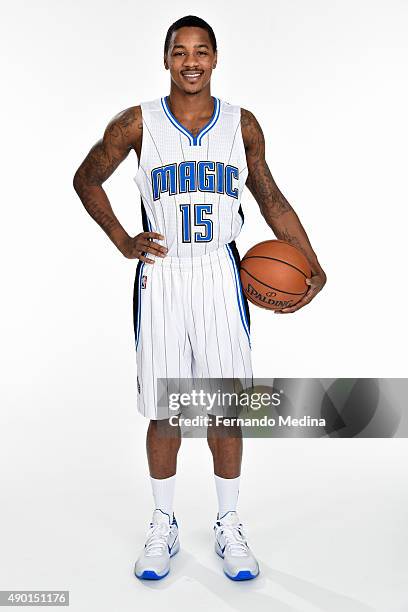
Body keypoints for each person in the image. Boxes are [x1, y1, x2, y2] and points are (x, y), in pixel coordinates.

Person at [73, 14, 326, 582]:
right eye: (180, 51)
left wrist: (310, 260)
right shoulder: (137, 124)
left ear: (215, 59)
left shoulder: (243, 125)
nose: (191, 61)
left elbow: (270, 198)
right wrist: (122, 239)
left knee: (225, 410)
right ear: (166, 59)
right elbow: (86, 178)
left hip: (219, 273)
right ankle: (163, 525)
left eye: (201, 51)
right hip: (161, 275)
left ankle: (229, 524)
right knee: (166, 413)